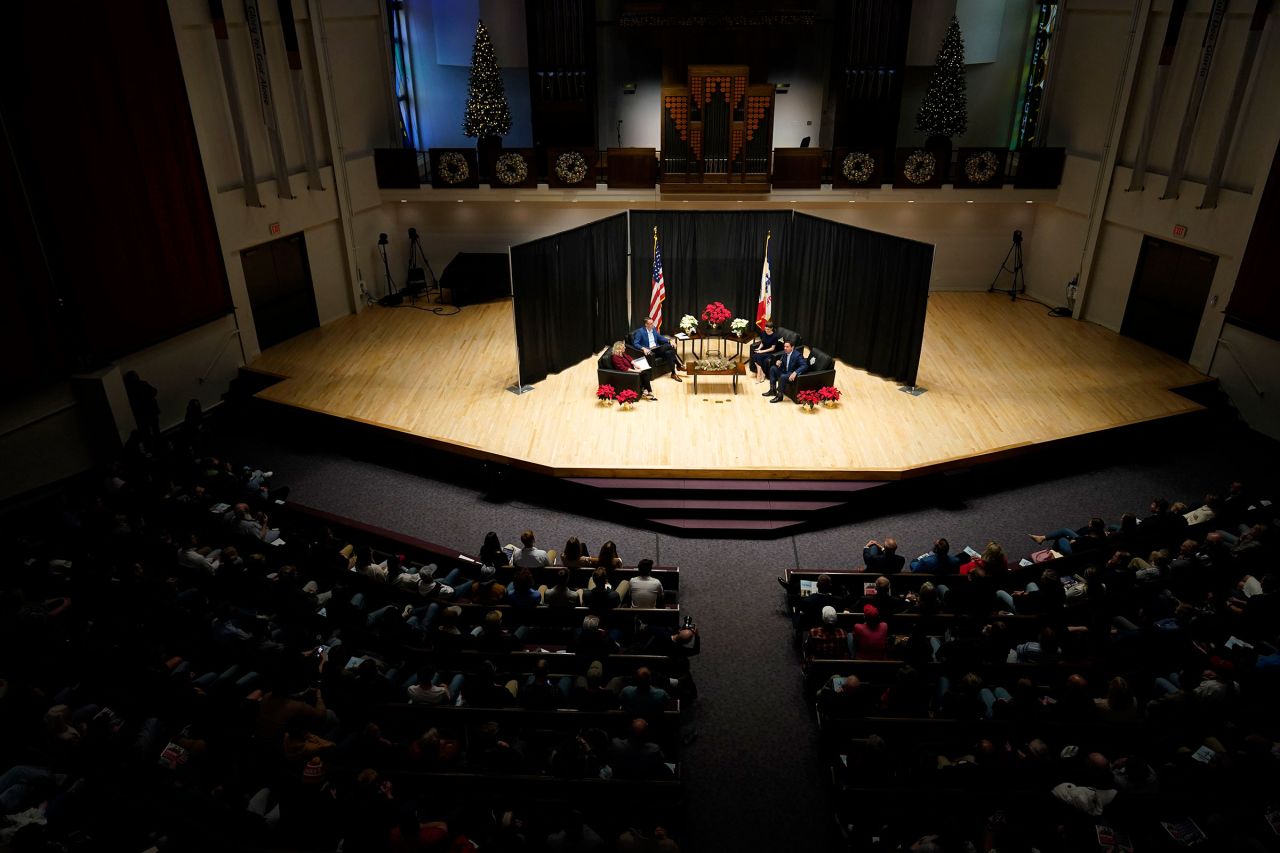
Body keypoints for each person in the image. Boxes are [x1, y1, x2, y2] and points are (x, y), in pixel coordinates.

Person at [631, 317, 683, 381]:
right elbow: (635, 343)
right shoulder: (640, 332)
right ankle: (679, 365)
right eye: (650, 324)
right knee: (668, 346)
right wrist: (643, 348)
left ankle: (673, 373)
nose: (652, 325)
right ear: (646, 324)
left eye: (652, 323)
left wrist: (669, 340)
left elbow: (660, 337)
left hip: (657, 348)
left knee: (669, 353)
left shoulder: (654, 329)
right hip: (651, 351)